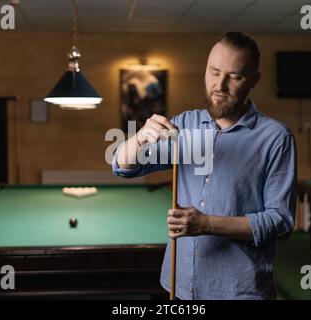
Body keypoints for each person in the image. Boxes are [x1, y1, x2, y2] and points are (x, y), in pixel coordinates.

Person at [112, 32, 297, 300]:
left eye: (235, 76)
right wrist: (140, 137)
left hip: (239, 292)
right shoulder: (184, 125)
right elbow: (122, 166)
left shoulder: (276, 138)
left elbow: (280, 222)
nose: (219, 85)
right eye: (214, 72)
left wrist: (207, 224)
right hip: (179, 285)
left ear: (254, 80)